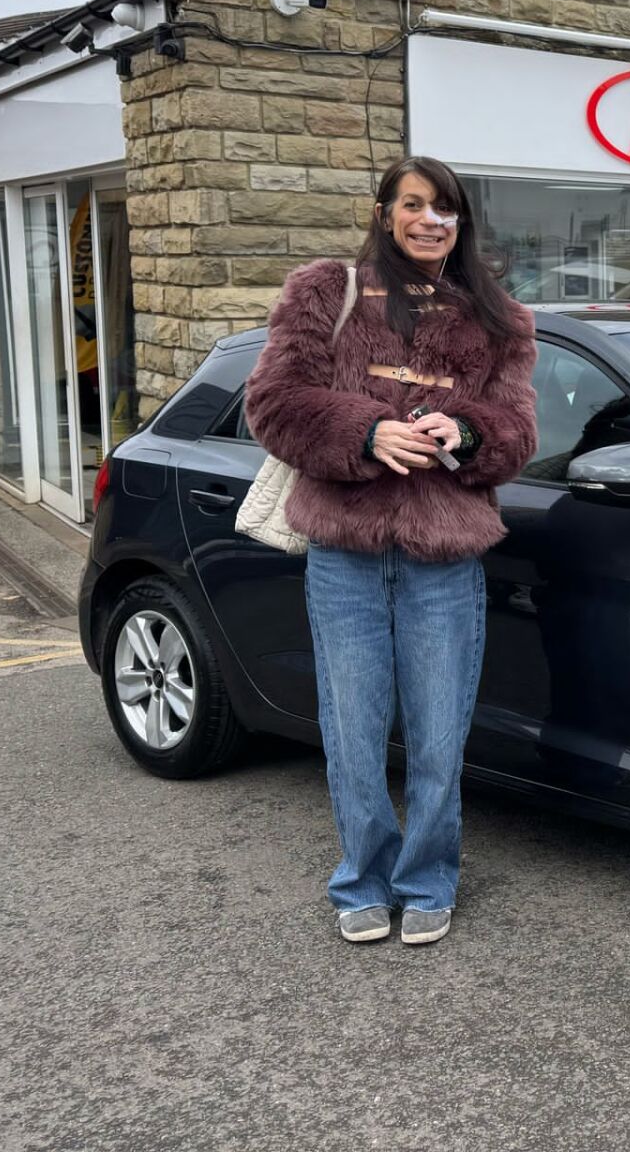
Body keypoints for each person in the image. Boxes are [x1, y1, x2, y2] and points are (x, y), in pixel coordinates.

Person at [244, 155, 537, 945]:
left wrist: (466, 431)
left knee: (440, 735)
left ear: (461, 221)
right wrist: (366, 430)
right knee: (353, 731)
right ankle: (362, 881)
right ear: (383, 213)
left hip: (445, 559)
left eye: (445, 208)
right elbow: (270, 404)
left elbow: (517, 436)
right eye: (413, 205)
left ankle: (429, 876)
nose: (430, 220)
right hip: (346, 554)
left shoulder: (499, 318)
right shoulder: (324, 293)